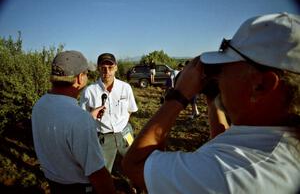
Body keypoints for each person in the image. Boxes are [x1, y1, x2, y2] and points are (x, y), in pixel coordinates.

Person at [123, 12, 300, 193]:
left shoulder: (225, 174)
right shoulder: (275, 143)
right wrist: (213, 99)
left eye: (223, 69)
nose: (218, 77)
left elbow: (136, 165)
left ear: (261, 85)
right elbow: (224, 143)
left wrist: (178, 95)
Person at [31, 51, 115, 194]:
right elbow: (97, 174)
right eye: (86, 73)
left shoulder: (40, 105)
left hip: (54, 183)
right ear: (79, 78)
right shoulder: (80, 119)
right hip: (78, 188)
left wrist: (89, 116)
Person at [80, 53, 138, 173]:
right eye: (103, 68)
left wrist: (122, 124)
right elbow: (83, 117)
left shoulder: (125, 88)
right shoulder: (89, 91)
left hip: (125, 133)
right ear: (98, 69)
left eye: (110, 67)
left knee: (134, 161)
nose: (107, 71)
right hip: (104, 137)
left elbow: (130, 110)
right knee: (103, 170)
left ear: (116, 67)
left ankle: (136, 185)